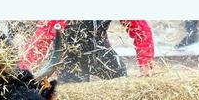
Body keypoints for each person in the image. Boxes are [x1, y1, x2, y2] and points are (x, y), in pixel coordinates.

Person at [19, 20, 154, 83]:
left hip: (99, 49)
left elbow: (140, 28)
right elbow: (43, 38)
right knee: (72, 94)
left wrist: (146, 64)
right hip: (69, 54)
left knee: (121, 79)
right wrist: (24, 71)